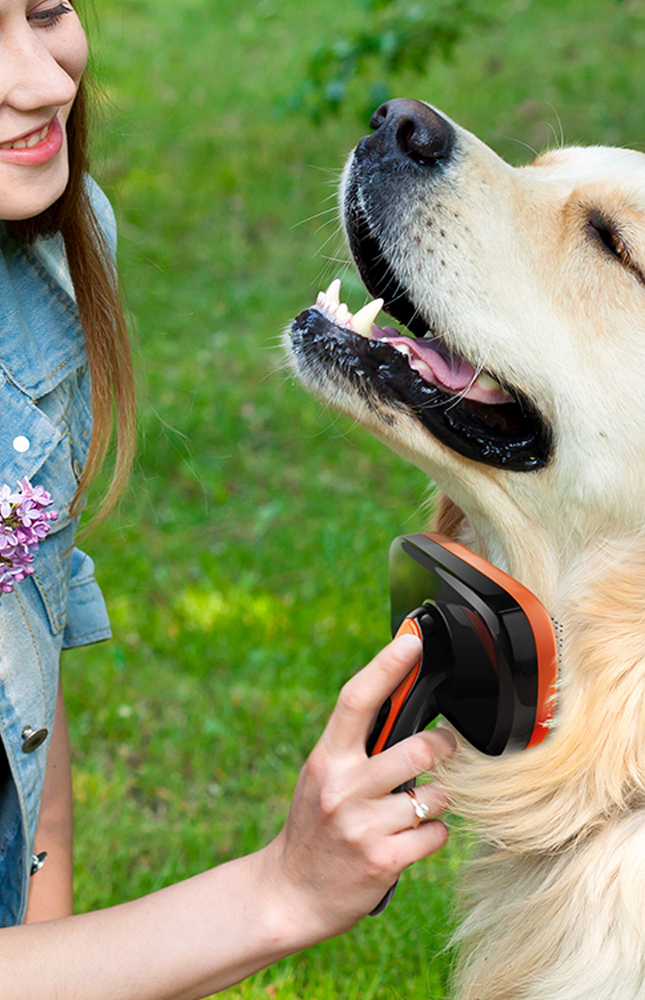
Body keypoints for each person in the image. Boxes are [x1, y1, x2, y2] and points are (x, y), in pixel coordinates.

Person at [0, 2, 456, 995]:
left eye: (45, 11)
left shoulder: (43, 254)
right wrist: (280, 890)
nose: (42, 82)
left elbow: (23, 678)